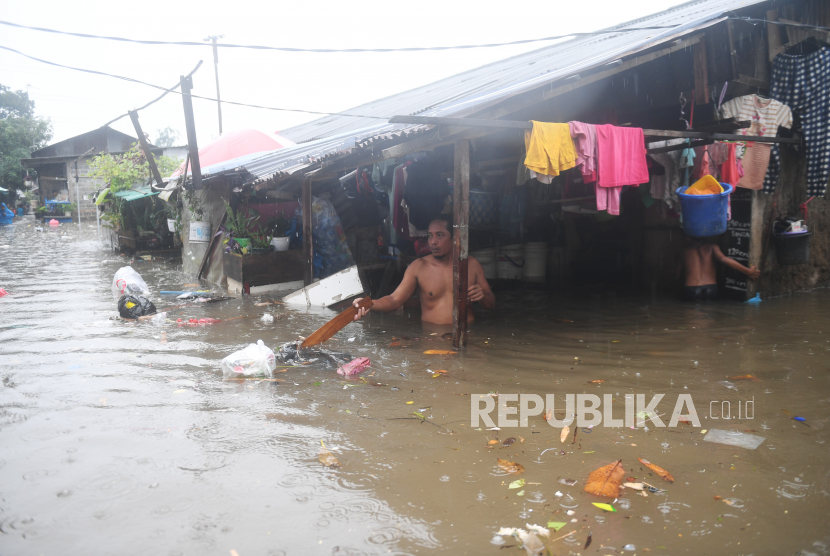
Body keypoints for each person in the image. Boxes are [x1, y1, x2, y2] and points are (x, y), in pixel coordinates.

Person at [353, 215, 495, 324]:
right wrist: (369, 303)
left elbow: (491, 304)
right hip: (432, 338)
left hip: (467, 334)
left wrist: (482, 297)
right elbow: (394, 300)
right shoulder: (418, 267)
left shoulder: (471, 264)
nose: (433, 242)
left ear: (455, 238)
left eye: (440, 235)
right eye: (430, 236)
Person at [680, 236, 760, 300]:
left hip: (691, 289)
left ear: (688, 237)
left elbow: (677, 275)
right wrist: (748, 272)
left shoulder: (684, 251)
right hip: (710, 288)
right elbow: (724, 259)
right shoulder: (712, 247)